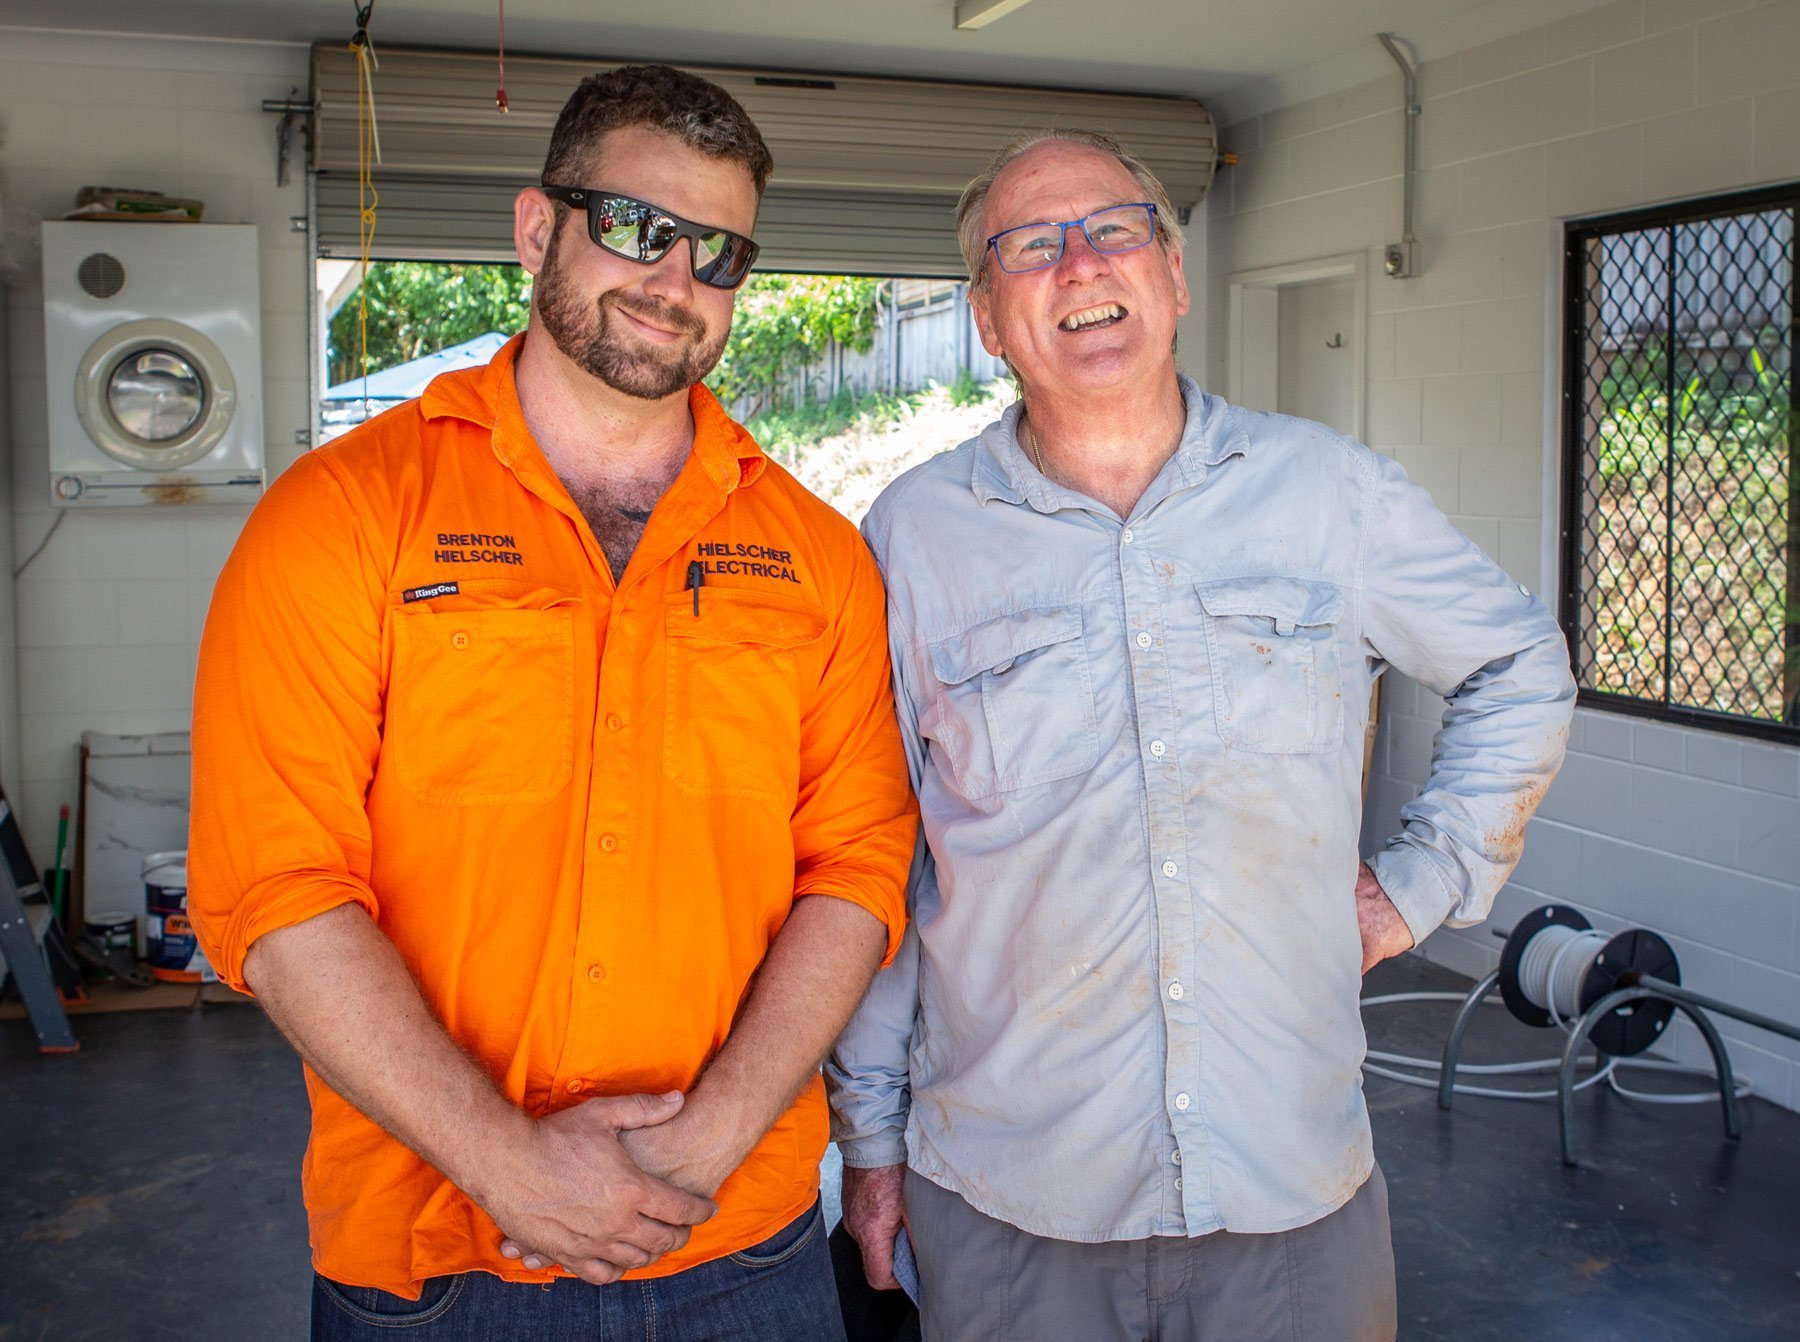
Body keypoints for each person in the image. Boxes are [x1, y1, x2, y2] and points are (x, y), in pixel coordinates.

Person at [190, 64, 914, 1341]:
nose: (673, 278)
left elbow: (856, 868)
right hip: (436, 1258)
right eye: (637, 227)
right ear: (540, 228)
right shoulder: (342, 518)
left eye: (719, 252)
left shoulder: (818, 555)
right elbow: (276, 885)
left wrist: (704, 1145)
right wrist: (510, 1163)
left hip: (741, 1242)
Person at [827, 128, 1575, 1342]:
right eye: (1031, 246)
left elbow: (1519, 664)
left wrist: (1421, 885)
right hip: (1015, 1208)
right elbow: (880, 855)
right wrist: (870, 1140)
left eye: (1113, 228)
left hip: (1290, 1198)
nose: (1079, 264)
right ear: (986, 316)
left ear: (1171, 273)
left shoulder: (1331, 493)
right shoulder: (913, 540)